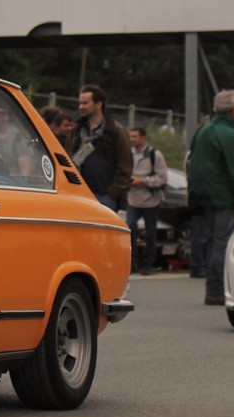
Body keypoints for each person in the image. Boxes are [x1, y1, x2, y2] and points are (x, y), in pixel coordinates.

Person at [188, 89, 234, 306]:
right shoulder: (231, 135)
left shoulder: (202, 131)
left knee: (211, 241)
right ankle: (216, 288)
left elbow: (192, 163)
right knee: (221, 242)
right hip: (223, 197)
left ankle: (212, 286)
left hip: (203, 196)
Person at [70, 85, 132, 210]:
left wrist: (113, 192)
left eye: (85, 103)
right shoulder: (78, 129)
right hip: (79, 194)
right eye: (80, 103)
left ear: (99, 104)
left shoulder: (115, 130)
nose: (81, 107)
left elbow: (125, 163)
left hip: (104, 196)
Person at [125, 127, 168, 275]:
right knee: (129, 226)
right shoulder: (128, 154)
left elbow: (162, 178)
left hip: (150, 200)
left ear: (143, 138)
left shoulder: (155, 155)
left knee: (151, 233)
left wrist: (143, 181)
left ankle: (147, 263)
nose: (132, 140)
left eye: (135, 137)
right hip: (132, 199)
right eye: (131, 137)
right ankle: (133, 261)